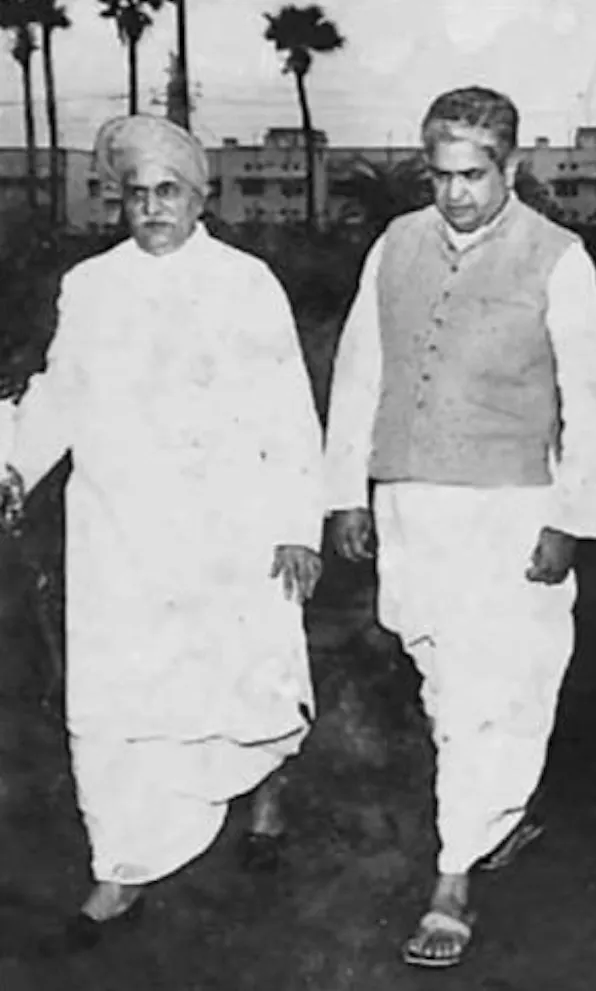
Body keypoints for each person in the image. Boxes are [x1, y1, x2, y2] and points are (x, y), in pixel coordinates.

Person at [0, 115, 325, 953]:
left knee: (244, 680)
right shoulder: (90, 286)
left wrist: (297, 524)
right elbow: (61, 391)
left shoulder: (247, 283)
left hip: (230, 530)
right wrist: (15, 465)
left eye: (167, 192)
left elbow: (289, 411)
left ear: (200, 197)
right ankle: (120, 864)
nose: (151, 208)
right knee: (116, 696)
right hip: (119, 529)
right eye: (135, 194)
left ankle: (264, 795)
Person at [323, 86, 596, 968]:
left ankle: (451, 880)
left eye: (473, 175)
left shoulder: (559, 257)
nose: (454, 194)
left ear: (511, 168)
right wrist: (345, 491)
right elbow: (356, 371)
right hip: (413, 503)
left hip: (512, 504)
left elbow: (589, 399)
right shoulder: (395, 245)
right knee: (447, 682)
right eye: (439, 175)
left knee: (497, 688)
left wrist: (570, 516)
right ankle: (493, 813)